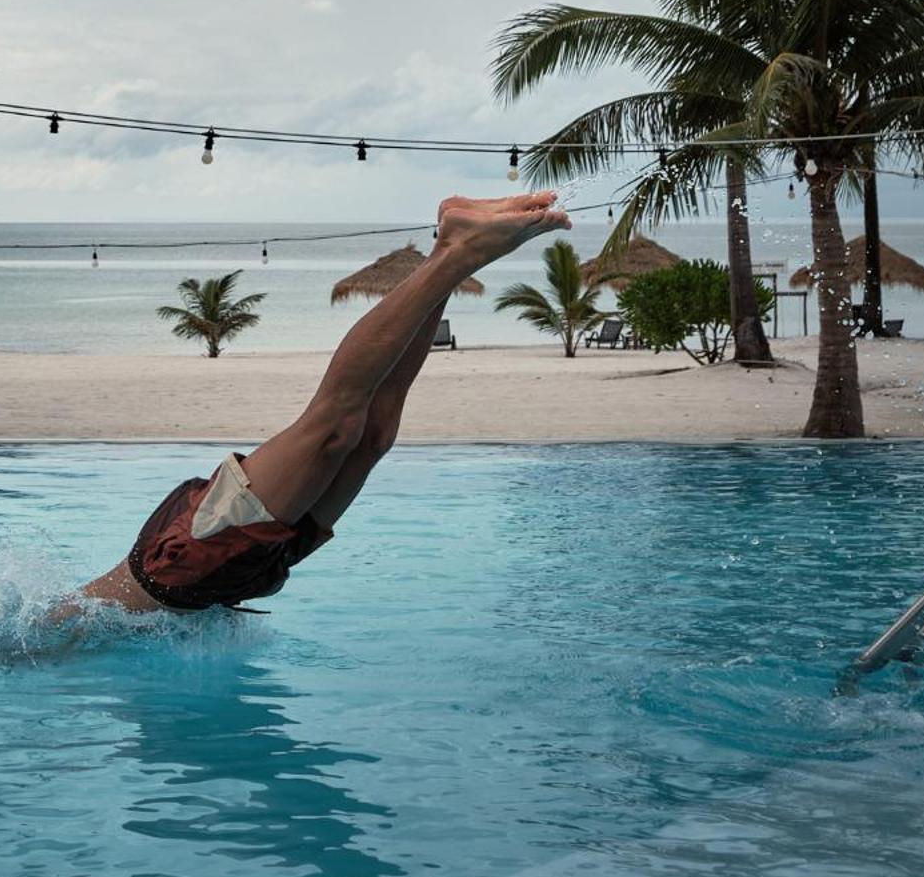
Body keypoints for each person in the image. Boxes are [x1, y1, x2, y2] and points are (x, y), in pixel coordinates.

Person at [71, 190, 569, 618]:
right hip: (241, 574)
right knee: (374, 435)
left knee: (336, 425)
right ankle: (450, 242)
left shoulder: (34, 637)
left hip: (181, 565)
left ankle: (461, 256)